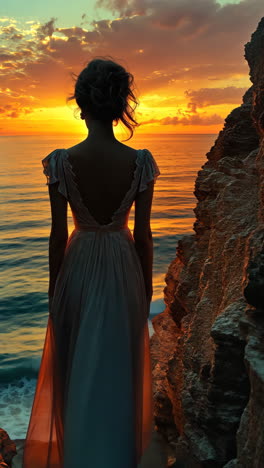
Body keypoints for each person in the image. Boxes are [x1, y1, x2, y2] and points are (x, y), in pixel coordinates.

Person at [22, 57, 161, 468]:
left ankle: (81, 452)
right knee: (118, 366)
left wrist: (54, 290)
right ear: (121, 107)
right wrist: (146, 290)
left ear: (81, 105)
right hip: (123, 268)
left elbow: (56, 234)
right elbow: (144, 235)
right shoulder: (141, 162)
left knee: (76, 365)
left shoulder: (61, 162)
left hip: (78, 265)